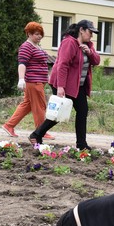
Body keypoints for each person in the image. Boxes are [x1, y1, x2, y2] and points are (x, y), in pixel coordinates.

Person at [29, 20, 100, 150]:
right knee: (59, 113)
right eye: (90, 32)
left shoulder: (88, 45)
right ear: (81, 30)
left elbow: (96, 61)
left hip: (80, 86)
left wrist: (90, 52)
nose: (91, 35)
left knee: (82, 112)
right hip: (64, 84)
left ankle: (81, 144)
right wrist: (61, 87)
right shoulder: (69, 42)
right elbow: (62, 65)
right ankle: (36, 134)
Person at [2, 22, 54, 140]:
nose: (39, 36)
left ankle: (9, 126)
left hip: (39, 81)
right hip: (33, 81)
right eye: (36, 34)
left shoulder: (36, 46)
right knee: (40, 106)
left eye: (41, 34)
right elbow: (22, 63)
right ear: (29, 34)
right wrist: (21, 79)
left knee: (27, 105)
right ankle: (41, 131)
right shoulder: (26, 46)